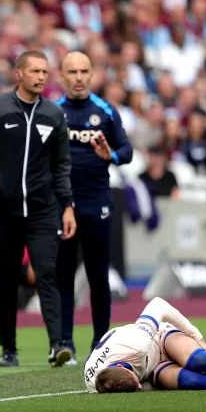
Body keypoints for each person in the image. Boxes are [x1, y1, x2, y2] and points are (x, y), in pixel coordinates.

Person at [0, 49, 77, 368]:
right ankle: (8, 349)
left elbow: (62, 166)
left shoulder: (54, 115)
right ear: (19, 74)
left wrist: (67, 206)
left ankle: (58, 345)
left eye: (45, 72)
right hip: (4, 211)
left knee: (47, 274)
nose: (42, 77)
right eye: (36, 71)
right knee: (7, 279)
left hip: (43, 211)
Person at [54, 52, 134, 365]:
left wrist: (110, 155)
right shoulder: (53, 112)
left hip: (98, 201)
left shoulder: (105, 110)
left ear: (91, 75)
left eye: (83, 71)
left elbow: (127, 150)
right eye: (71, 71)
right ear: (62, 76)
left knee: (98, 276)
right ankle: (64, 343)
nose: (78, 77)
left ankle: (101, 343)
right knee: (63, 276)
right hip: (63, 204)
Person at [85, 297, 206, 393]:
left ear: (121, 366)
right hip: (153, 371)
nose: (140, 387)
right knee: (193, 381)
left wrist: (197, 336)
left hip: (159, 339)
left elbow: (158, 304)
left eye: (137, 382)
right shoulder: (95, 385)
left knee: (199, 361)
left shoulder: (136, 345)